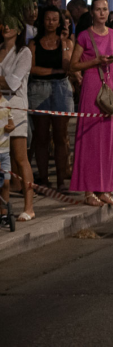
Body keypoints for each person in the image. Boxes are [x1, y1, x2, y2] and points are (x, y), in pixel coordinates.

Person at [69, 0, 113, 207]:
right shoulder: (84, 36)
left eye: (105, 9)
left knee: (107, 139)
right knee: (90, 139)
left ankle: (104, 187)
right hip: (91, 86)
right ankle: (89, 190)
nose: (102, 13)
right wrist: (95, 62)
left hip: (108, 85)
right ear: (92, 12)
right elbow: (73, 65)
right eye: (98, 9)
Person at [28, 5, 74, 191]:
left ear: (60, 22)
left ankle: (62, 179)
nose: (51, 23)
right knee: (40, 136)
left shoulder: (67, 43)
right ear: (42, 20)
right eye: (48, 19)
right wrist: (54, 71)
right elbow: (32, 69)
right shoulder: (33, 43)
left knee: (61, 136)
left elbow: (67, 66)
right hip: (38, 88)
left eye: (55, 19)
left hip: (61, 88)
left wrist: (63, 42)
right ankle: (44, 178)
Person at [0, 23, 34, 221]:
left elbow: (13, 84)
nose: (6, 27)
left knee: (20, 158)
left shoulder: (24, 52)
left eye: (11, 24)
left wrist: (5, 81)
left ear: (19, 29)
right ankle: (3, 209)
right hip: (0, 109)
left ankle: (29, 206)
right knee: (2, 159)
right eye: (3, 23)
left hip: (16, 108)